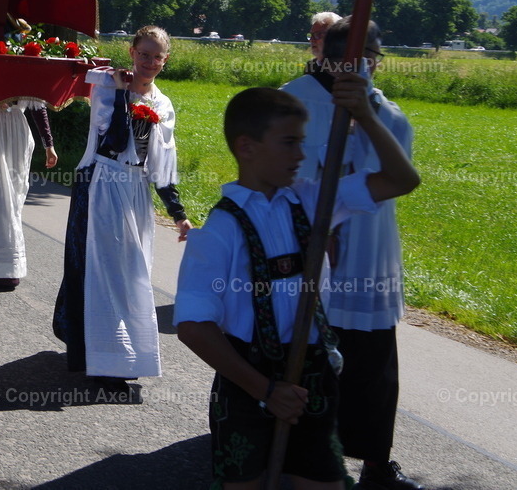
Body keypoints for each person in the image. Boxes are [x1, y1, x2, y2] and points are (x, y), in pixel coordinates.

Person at [173, 83, 420, 490]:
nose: (301, 155)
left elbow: (401, 179)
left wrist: (367, 116)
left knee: (321, 480)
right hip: (246, 380)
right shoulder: (219, 232)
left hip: (313, 377)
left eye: (302, 142)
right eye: (289, 143)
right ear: (247, 147)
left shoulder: (314, 202)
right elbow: (193, 326)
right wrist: (266, 390)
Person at [281, 19, 422, 490]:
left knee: (373, 366)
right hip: (314, 259)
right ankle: (296, 457)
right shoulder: (293, 99)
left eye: (373, 56)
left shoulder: (385, 108)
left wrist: (366, 112)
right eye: (359, 56)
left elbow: (399, 171)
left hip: (371, 256)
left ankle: (376, 464)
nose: (369, 65)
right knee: (307, 359)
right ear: (329, 55)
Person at [53, 26, 192, 390]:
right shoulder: (106, 90)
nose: (149, 62)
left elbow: (161, 166)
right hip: (103, 184)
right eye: (143, 54)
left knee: (132, 274)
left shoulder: (163, 105)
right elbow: (113, 139)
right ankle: (103, 360)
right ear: (132, 53)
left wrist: (178, 214)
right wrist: (118, 94)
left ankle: (124, 352)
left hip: (134, 193)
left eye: (156, 57)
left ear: (165, 60)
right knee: (104, 272)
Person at [0, 98, 57, 290]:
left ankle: (6, 266)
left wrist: (49, 145)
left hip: (15, 132)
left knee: (13, 197)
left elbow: (38, 105)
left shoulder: (32, 68)